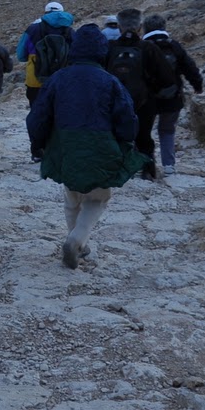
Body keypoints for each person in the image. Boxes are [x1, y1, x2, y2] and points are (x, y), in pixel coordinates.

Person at [26, 23, 149, 269]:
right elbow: (126, 117)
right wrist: (126, 141)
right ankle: (76, 240)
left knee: (72, 196)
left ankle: (75, 241)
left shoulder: (58, 78)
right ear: (101, 51)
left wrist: (38, 144)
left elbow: (38, 116)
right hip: (101, 143)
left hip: (65, 145)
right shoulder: (110, 81)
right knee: (98, 197)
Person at [106, 8, 178, 181]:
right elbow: (167, 77)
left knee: (117, 134)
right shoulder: (148, 48)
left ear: (119, 27)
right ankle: (147, 170)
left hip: (116, 101)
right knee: (144, 136)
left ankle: (119, 168)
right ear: (139, 27)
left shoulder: (110, 48)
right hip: (145, 101)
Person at [142, 14, 205, 176]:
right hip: (172, 96)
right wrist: (197, 85)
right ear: (164, 27)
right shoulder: (174, 46)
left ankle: (145, 165)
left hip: (147, 98)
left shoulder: (142, 47)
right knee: (167, 130)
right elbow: (189, 67)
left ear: (145, 28)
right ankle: (169, 166)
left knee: (144, 131)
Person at [16, 1, 74, 107]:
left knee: (36, 109)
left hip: (36, 79)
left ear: (46, 12)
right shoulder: (70, 31)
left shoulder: (33, 29)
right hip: (62, 79)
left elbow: (21, 55)